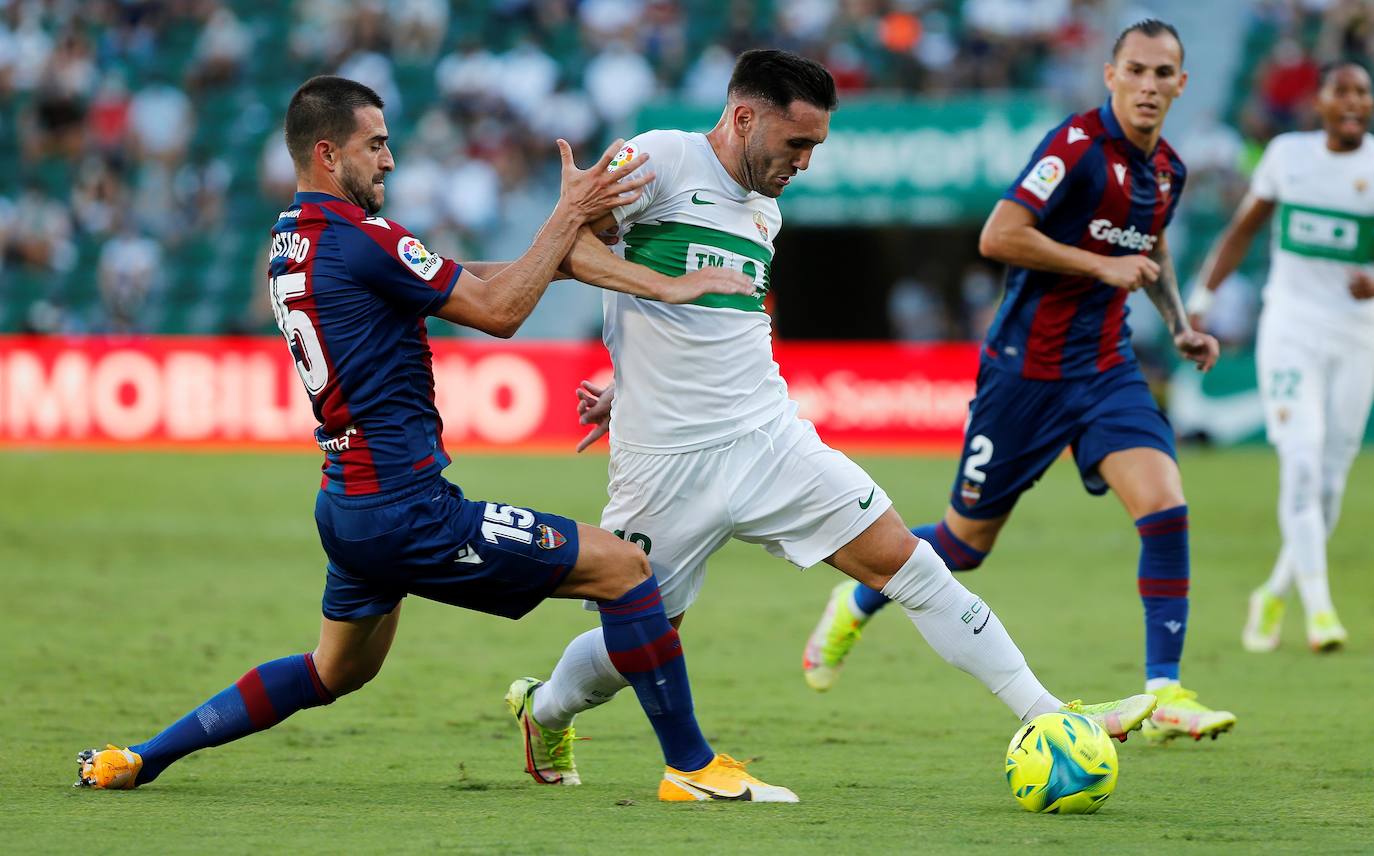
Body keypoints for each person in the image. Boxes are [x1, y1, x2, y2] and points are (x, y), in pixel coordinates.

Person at [73, 75, 799, 803]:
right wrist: (567, 214)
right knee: (626, 572)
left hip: (348, 507)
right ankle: (693, 769)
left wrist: (605, 271)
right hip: (408, 510)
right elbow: (498, 311)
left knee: (334, 671)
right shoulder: (364, 239)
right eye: (376, 145)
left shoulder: (295, 240)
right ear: (328, 154)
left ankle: (140, 757)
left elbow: (463, 280)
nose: (389, 160)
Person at [503, 49, 1156, 793]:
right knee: (640, 644)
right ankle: (546, 711)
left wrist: (627, 376)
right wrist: (661, 292)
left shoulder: (763, 209)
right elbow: (561, 249)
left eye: (815, 147)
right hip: (665, 462)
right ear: (745, 117)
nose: (805, 164)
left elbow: (720, 319)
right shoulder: (658, 158)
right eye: (796, 144)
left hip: (769, 437)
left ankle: (1048, 714)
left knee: (912, 566)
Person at [801, 21, 1238, 744]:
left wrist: (1181, 321)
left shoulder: (1170, 172)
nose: (1150, 86)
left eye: (1165, 74)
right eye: (1138, 70)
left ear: (1182, 84)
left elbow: (1149, 241)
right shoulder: (1074, 149)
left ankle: (1165, 692)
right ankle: (857, 601)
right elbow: (998, 235)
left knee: (1165, 508)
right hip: (1024, 376)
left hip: (1105, 369)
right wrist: (1101, 268)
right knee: (966, 544)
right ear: (1111, 74)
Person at [1190, 61, 1374, 654]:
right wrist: (1202, 298)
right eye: (1341, 91)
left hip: (1358, 337)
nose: (1353, 102)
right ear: (1319, 102)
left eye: (1362, 93)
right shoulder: (1288, 157)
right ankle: (1320, 610)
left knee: (1328, 482)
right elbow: (1243, 230)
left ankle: (1272, 591)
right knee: (1300, 458)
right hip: (1291, 328)